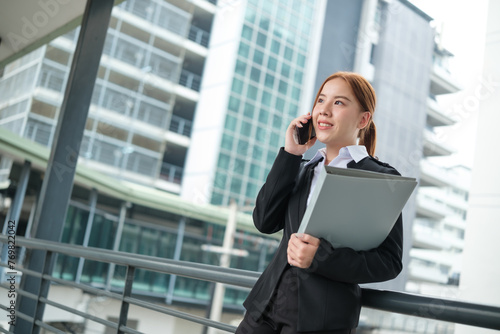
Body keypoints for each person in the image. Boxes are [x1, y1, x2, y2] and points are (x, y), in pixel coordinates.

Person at [235, 71, 404, 334]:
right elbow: (264, 221)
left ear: (363, 119)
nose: (324, 111)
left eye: (338, 103)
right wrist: (291, 154)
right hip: (263, 312)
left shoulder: (379, 177)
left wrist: (321, 257)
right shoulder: (301, 168)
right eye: (321, 100)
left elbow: (389, 262)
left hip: (319, 321)